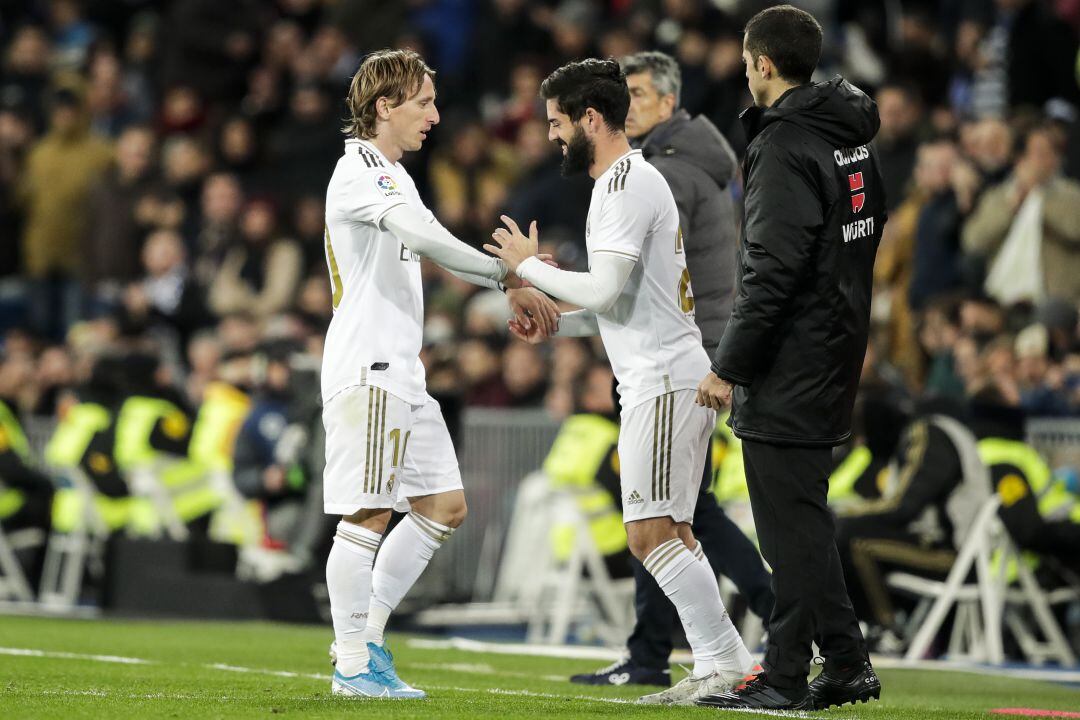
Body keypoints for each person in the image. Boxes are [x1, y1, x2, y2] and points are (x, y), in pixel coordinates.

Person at [485, 58, 755, 707]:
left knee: (649, 534)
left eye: (556, 122)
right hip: (665, 372)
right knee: (677, 534)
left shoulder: (625, 185)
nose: (551, 136)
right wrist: (557, 322)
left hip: (662, 380)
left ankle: (728, 661)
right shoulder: (627, 182)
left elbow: (604, 287)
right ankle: (727, 661)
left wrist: (529, 270)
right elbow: (623, 304)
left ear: (590, 118)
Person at [320, 49, 559, 699]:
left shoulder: (395, 177)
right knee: (367, 512)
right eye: (422, 102)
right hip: (369, 366)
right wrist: (511, 273)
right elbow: (429, 245)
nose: (435, 114)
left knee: (442, 507)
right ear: (384, 107)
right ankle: (350, 662)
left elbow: (443, 247)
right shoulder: (359, 171)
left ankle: (366, 637)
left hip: (402, 369)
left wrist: (518, 285)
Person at [693, 5, 886, 711]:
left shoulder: (784, 145)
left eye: (747, 59)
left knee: (788, 527)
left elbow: (771, 272)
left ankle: (780, 675)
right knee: (802, 517)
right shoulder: (850, 137)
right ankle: (844, 661)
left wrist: (728, 366)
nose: (745, 69)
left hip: (792, 358)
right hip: (837, 343)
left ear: (763, 64)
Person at [570, 50, 773, 689]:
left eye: (635, 93)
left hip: (677, 359)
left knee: (661, 523)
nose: (625, 104)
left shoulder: (653, 174)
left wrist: (530, 274)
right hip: (680, 352)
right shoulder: (674, 167)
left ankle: (734, 644)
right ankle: (689, 653)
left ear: (666, 102)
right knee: (677, 520)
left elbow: (616, 283)